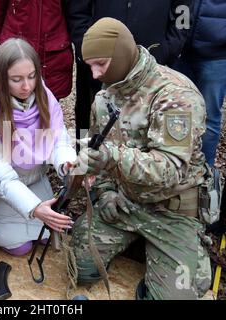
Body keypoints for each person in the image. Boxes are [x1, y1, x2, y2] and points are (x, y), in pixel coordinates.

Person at [70, 18, 212, 299]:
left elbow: (170, 170)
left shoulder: (174, 95)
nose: (95, 75)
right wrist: (106, 192)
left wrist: (111, 157)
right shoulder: (105, 98)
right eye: (90, 66)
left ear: (121, 55)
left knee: (176, 297)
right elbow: (98, 157)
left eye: (101, 64)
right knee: (79, 267)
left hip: (172, 211)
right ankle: (139, 243)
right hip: (125, 203)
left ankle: (175, 252)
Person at [0, 38, 76, 255]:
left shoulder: (45, 98)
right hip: (2, 191)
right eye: (16, 79)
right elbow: (0, 174)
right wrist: (34, 208)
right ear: (0, 78)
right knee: (21, 247)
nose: (27, 86)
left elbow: (59, 140)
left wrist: (68, 163)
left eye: (32, 77)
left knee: (45, 236)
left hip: (36, 180)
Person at [66, 0, 194, 147]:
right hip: (96, 63)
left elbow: (183, 10)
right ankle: (84, 157)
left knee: (141, 122)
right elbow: (77, 12)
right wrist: (85, 47)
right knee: (87, 116)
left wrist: (169, 48)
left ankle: (131, 161)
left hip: (150, 62)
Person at [173, 0, 226, 167]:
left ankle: (204, 174)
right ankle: (174, 167)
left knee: (209, 118)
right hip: (180, 51)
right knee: (175, 112)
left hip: (216, 56)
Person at [0, 0, 73, 101]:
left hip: (52, 53)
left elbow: (73, 12)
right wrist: (8, 42)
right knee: (14, 103)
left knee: (49, 104)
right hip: (17, 49)